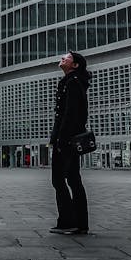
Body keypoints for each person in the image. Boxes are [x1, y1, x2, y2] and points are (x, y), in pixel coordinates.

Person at [49, 51, 90, 235]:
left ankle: (69, 221)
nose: (62, 58)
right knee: (72, 179)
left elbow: (72, 113)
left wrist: (61, 139)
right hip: (66, 138)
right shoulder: (70, 81)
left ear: (75, 65)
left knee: (60, 179)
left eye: (67, 57)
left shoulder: (73, 82)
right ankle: (79, 223)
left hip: (67, 140)